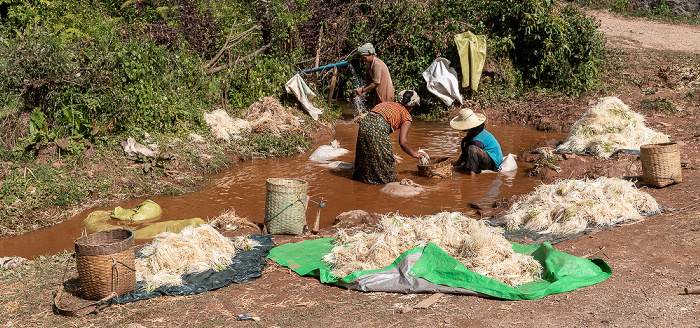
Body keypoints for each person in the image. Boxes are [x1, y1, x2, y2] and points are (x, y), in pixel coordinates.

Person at [353, 90, 423, 184]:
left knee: (365, 156)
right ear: (411, 106)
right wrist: (413, 154)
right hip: (378, 128)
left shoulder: (386, 104)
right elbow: (403, 142)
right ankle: (382, 185)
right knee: (386, 160)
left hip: (364, 124)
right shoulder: (407, 116)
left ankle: (361, 183)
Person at [450, 108, 503, 176]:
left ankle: (473, 174)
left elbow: (472, 154)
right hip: (483, 157)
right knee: (465, 141)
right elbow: (466, 152)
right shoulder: (471, 133)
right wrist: (457, 163)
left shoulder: (478, 139)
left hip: (493, 163)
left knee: (472, 149)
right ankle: (465, 166)